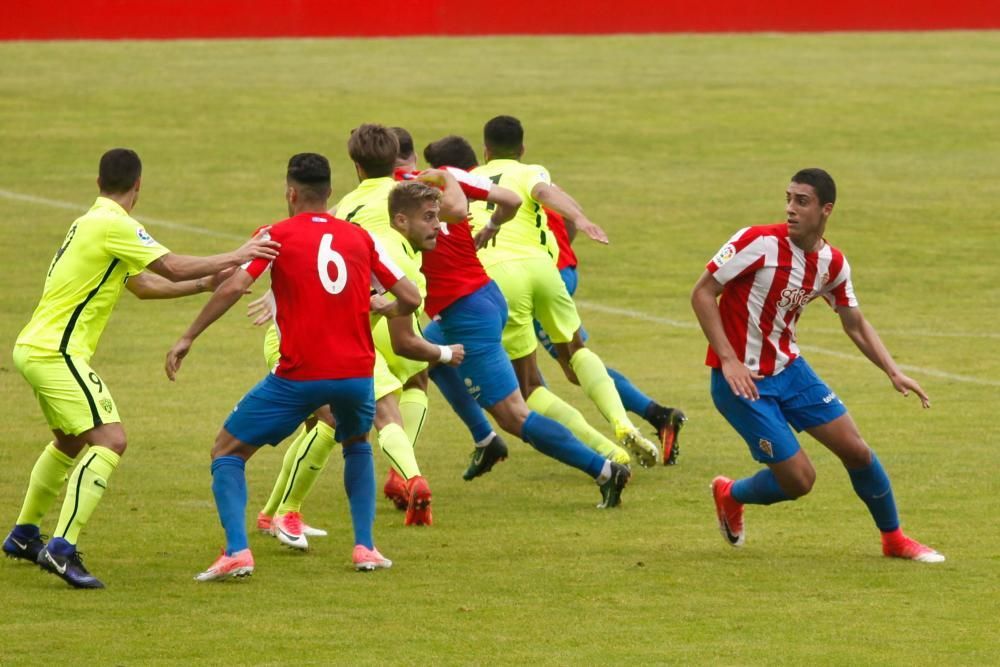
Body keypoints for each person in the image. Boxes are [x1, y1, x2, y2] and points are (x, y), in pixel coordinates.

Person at [2, 148, 279, 589]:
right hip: (58, 352)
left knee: (71, 440)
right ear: (138, 186)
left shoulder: (88, 223)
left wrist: (204, 283)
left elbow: (144, 285)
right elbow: (169, 265)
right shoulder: (116, 225)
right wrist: (237, 253)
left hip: (35, 348)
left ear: (98, 183)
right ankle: (61, 548)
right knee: (111, 440)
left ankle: (23, 535)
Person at [165, 153, 421, 579]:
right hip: (357, 374)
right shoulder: (359, 238)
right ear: (329, 194)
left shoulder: (274, 236)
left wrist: (188, 336)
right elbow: (411, 297)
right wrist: (382, 307)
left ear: (290, 193)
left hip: (299, 374)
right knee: (356, 444)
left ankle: (238, 552)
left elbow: (236, 285)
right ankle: (365, 547)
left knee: (226, 452)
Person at [690, 168, 944, 563]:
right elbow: (703, 294)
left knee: (857, 451)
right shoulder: (755, 241)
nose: (791, 208)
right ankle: (730, 493)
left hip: (791, 372)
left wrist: (892, 370)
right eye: (788, 199)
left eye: (801, 201)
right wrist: (728, 360)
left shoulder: (833, 264)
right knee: (799, 481)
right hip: (743, 382)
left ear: (826, 210)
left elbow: (854, 322)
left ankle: (893, 539)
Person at [413, 153, 631, 508]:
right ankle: (484, 440)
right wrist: (492, 224)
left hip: (467, 315)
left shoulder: (396, 202)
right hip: (487, 296)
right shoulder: (445, 180)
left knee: (516, 413)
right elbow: (511, 200)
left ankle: (605, 470)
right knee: (425, 360)